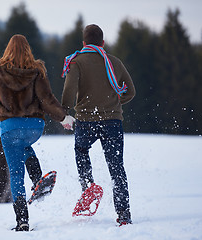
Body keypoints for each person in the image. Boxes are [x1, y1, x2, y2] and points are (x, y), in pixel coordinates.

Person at [0, 34, 74, 231]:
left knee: (16, 173)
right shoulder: (36, 71)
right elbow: (47, 99)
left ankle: (22, 221)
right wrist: (64, 118)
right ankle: (37, 179)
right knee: (23, 144)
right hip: (34, 127)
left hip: (9, 128)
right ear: (27, 49)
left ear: (8, 50)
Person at [60, 24, 136, 226]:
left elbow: (69, 90)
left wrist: (64, 110)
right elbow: (130, 91)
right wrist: (114, 104)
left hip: (86, 120)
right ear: (102, 42)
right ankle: (124, 214)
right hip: (113, 121)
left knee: (81, 150)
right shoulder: (114, 62)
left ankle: (88, 187)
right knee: (116, 167)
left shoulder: (77, 62)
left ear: (84, 43)